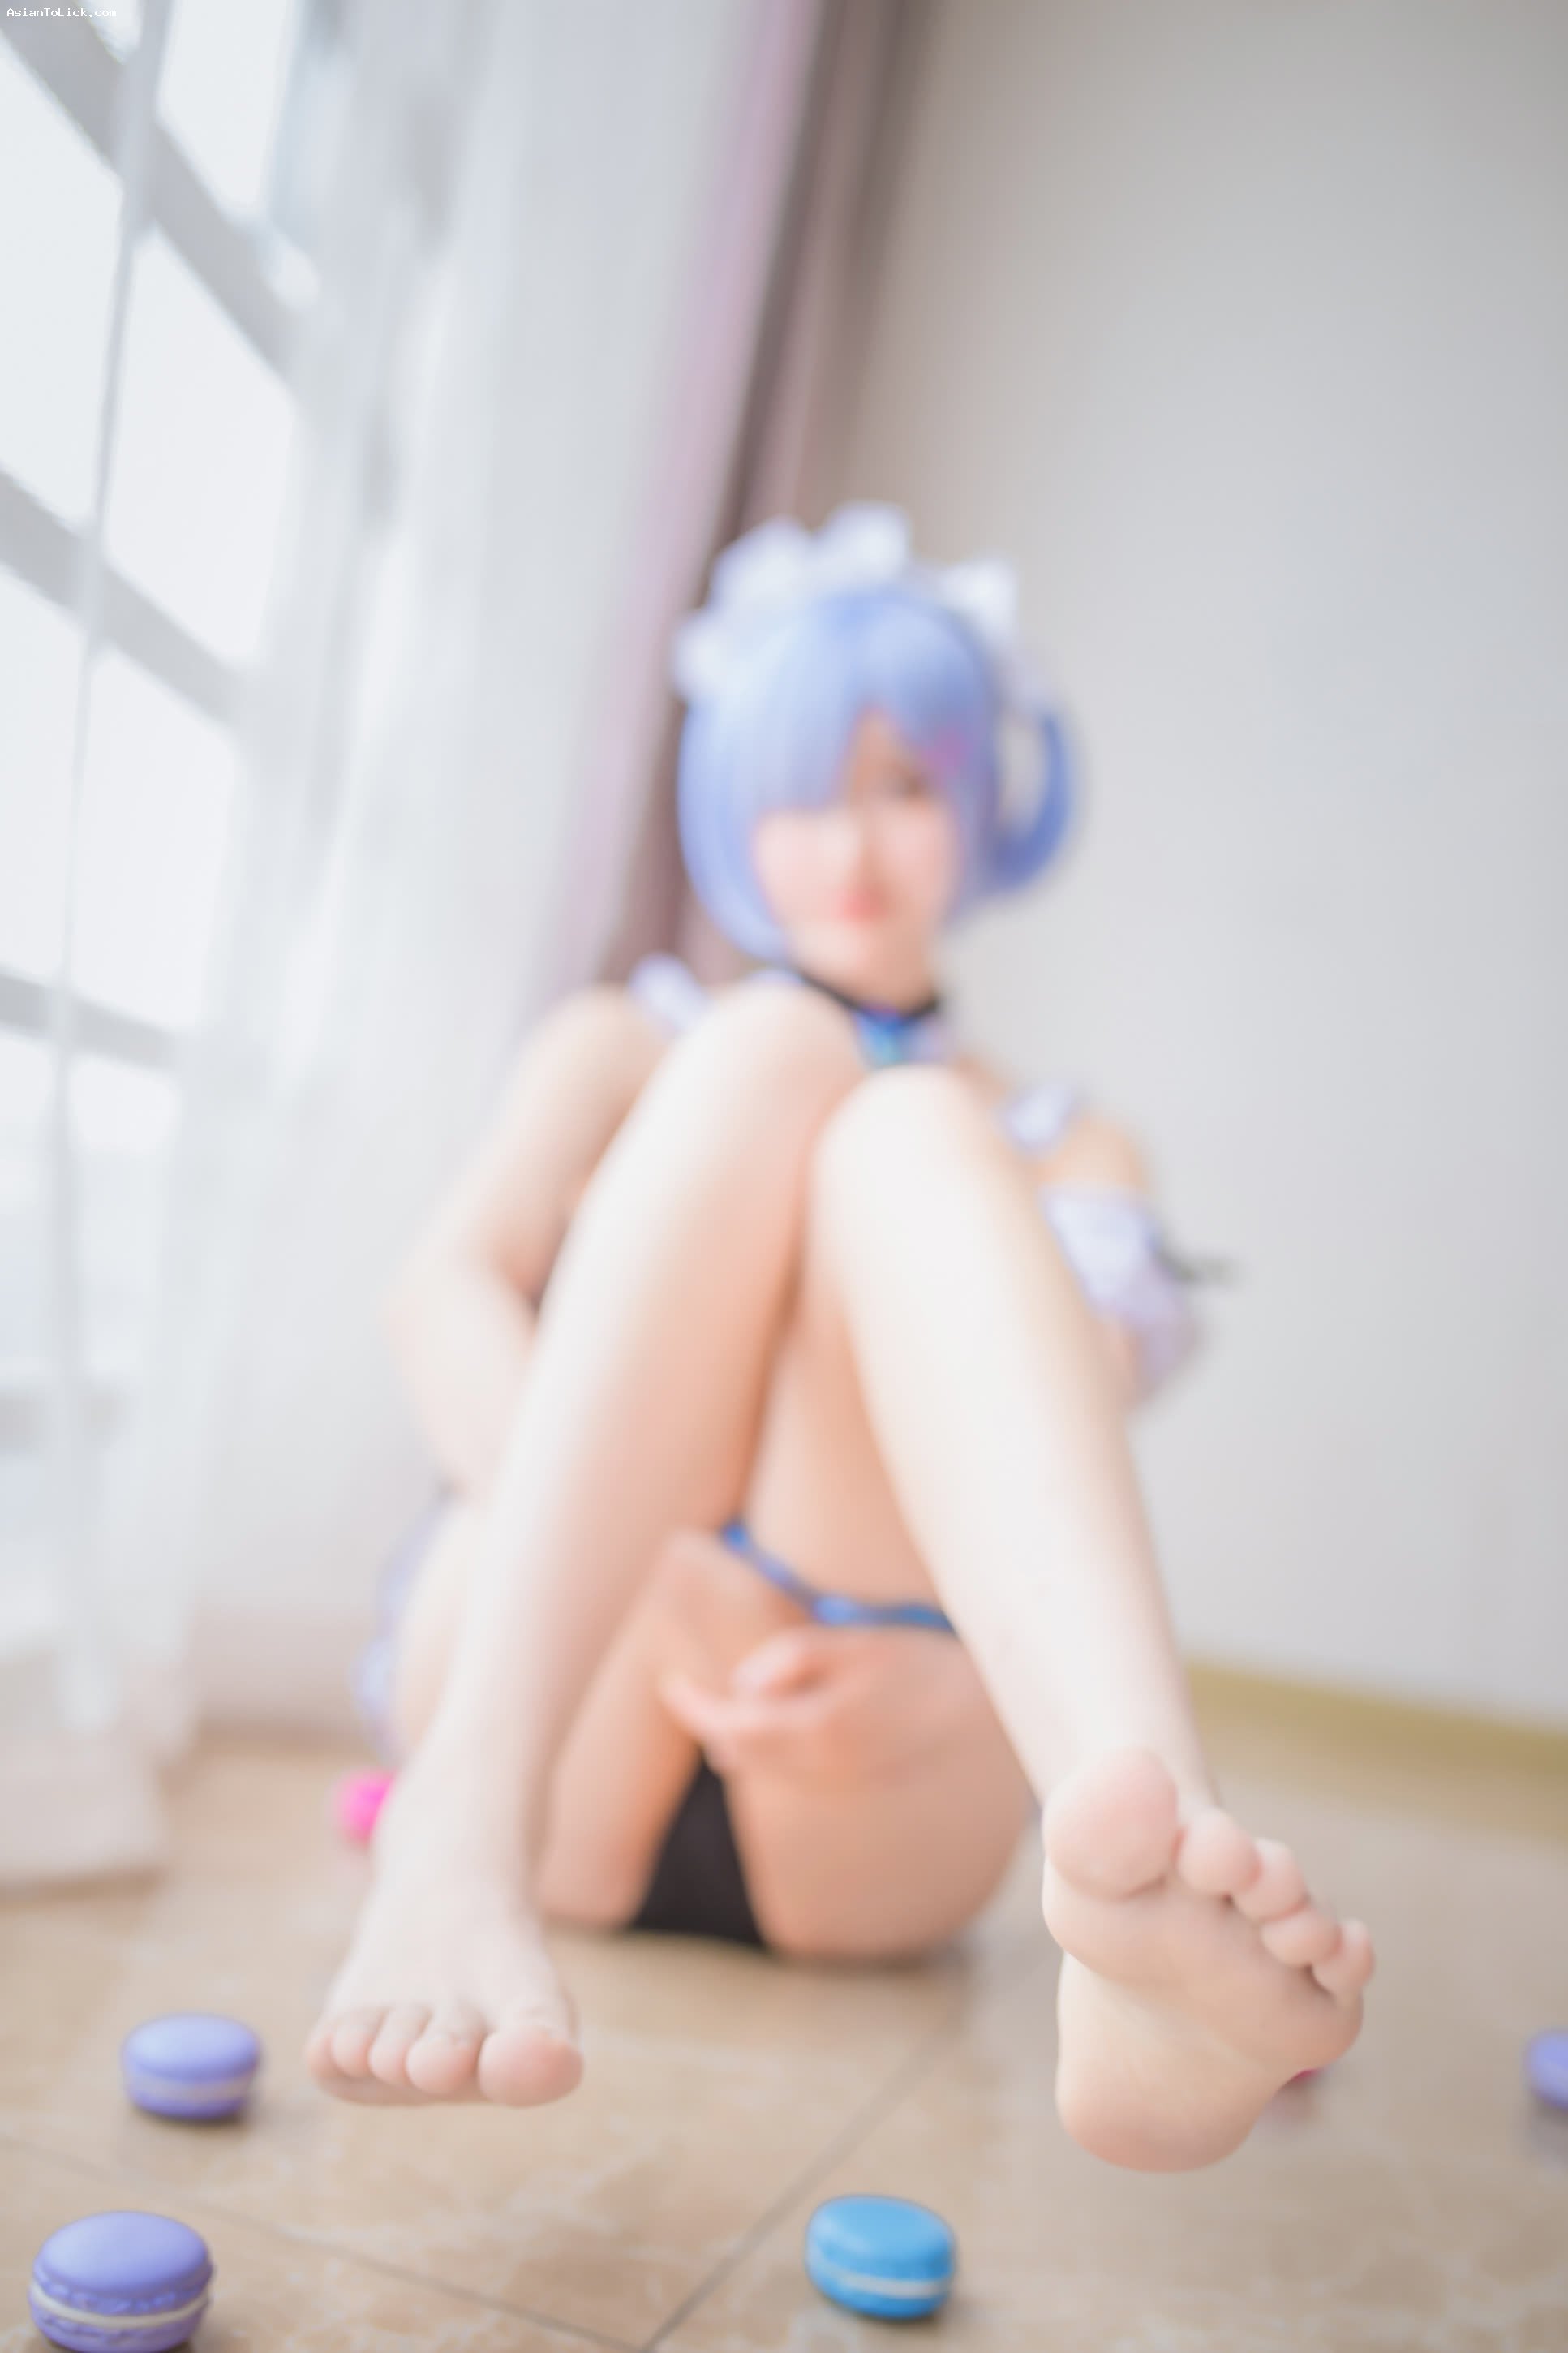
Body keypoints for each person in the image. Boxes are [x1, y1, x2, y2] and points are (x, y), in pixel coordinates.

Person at [307, 505, 1373, 2173]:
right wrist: (646, 1558)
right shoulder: (618, 1047)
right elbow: (436, 1296)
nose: (852, 844)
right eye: (804, 792)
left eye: (904, 786)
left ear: (983, 806)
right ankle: (459, 1823)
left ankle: (1144, 1880)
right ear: (734, 814)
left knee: (907, 1129)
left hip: (877, 1772)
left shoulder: (1067, 1145)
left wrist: (946, 1701)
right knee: (775, 1054)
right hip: (567, 1690)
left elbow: (1046, 1452)